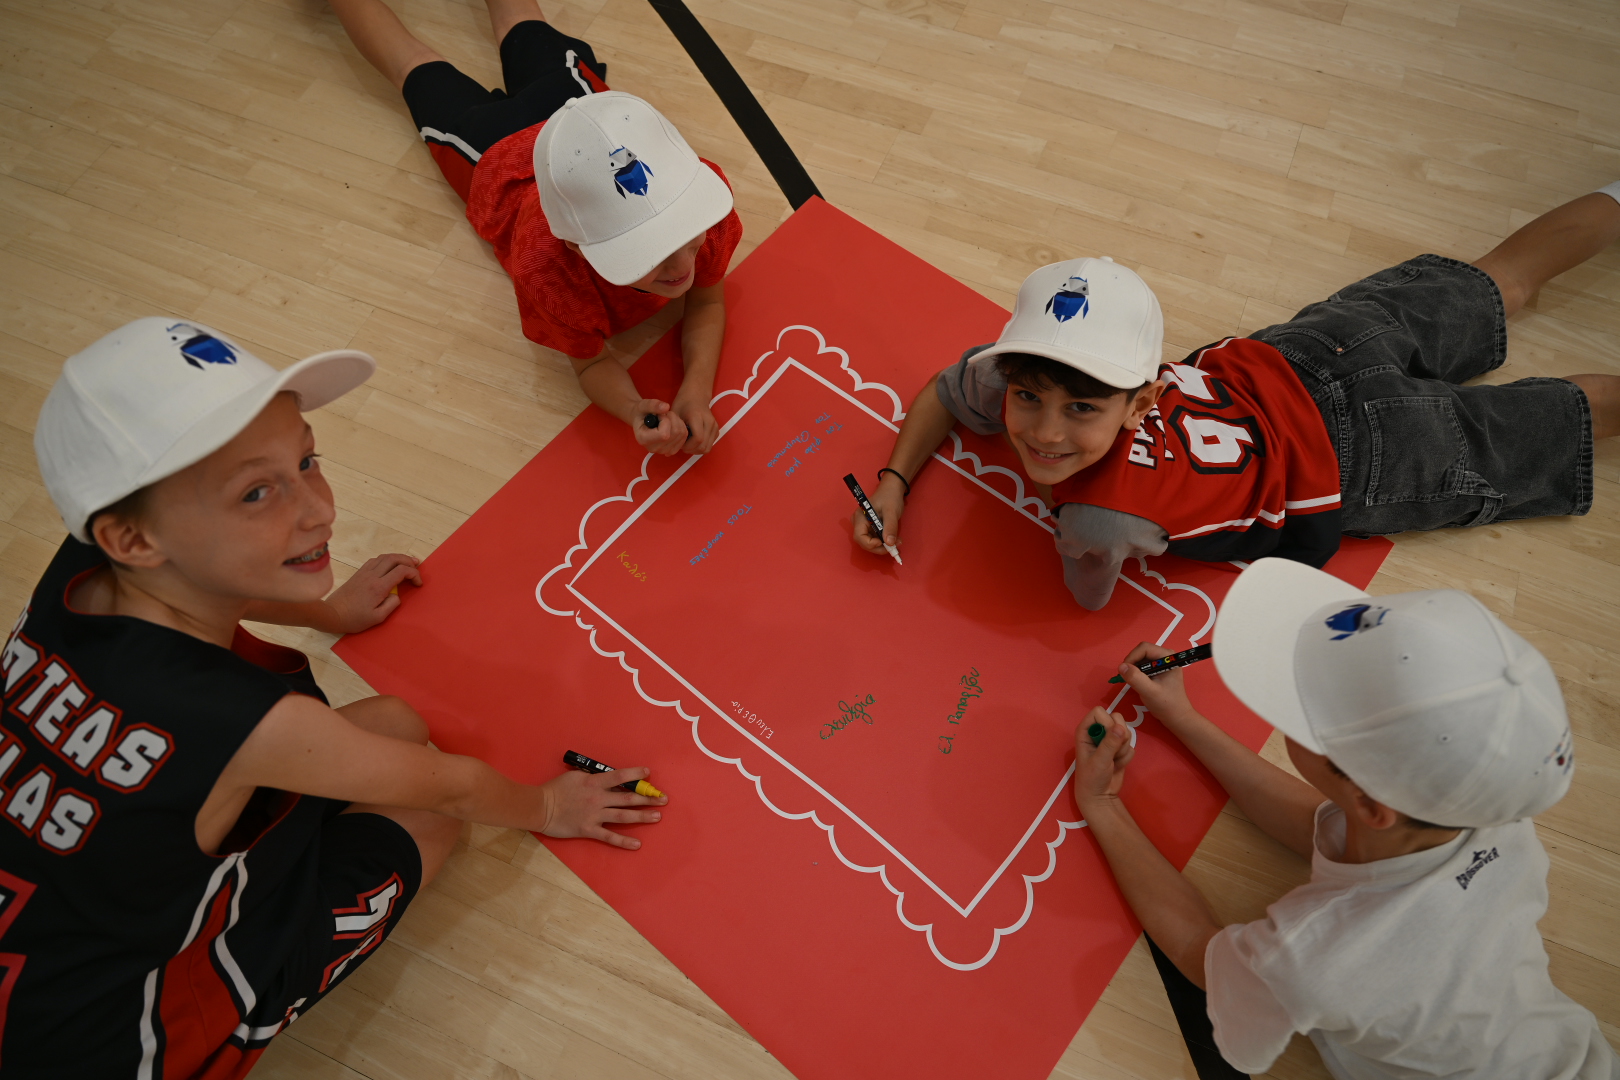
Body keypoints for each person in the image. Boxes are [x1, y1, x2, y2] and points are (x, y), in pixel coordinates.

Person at [0, 318, 666, 1078]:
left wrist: (327, 612)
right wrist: (548, 806)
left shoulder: (93, 555)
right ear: (131, 540)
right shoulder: (248, 722)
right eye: (257, 492)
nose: (319, 509)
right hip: (122, 1036)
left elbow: (201, 582)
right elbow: (452, 789)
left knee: (394, 720)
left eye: (306, 460)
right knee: (427, 818)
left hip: (62, 922)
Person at [852, 184, 1620, 609]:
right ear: (1012, 373)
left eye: (1081, 409)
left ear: (1143, 402)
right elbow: (947, 392)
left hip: (1366, 460)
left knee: (1568, 418)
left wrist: (909, 480)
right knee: (1503, 277)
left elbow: (1087, 600)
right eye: (1028, 397)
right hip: (1311, 352)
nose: (1044, 432)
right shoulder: (1033, 372)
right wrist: (893, 482)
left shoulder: (1097, 519)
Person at [1073, 557, 1615, 1077]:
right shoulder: (1497, 807)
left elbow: (1203, 957)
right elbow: (1322, 822)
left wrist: (1103, 806)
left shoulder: (1312, 959)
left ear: (1373, 804)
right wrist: (1183, 717)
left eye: (1304, 708)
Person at [331, 0, 744, 456]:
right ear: (577, 247)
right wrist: (630, 408)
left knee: (497, 29)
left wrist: (692, 392)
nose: (684, 265)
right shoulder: (547, 271)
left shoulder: (707, 208)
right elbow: (589, 366)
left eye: (688, 238)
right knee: (408, 63)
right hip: (491, 149)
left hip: (574, 112)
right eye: (651, 255)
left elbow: (706, 300)